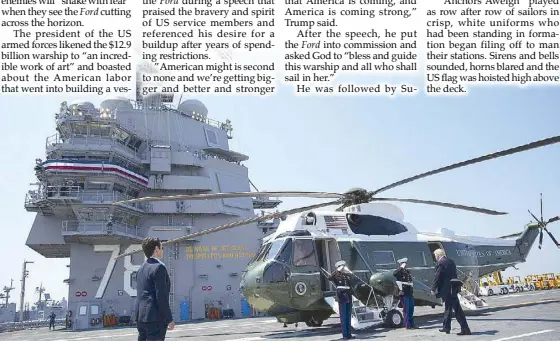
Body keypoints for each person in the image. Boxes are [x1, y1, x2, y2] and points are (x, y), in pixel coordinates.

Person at [135, 237, 175, 341]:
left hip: (141, 317)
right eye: (162, 248)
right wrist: (169, 318)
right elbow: (161, 296)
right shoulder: (159, 268)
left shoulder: (141, 269)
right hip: (155, 318)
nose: (163, 250)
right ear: (156, 249)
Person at [431, 248, 471, 336]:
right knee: (448, 308)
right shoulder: (451, 262)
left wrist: (433, 288)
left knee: (457, 310)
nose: (435, 258)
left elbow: (437, 276)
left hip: (447, 290)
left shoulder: (441, 263)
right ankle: (447, 327)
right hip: (453, 288)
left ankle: (465, 329)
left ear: (438, 255)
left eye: (435, 256)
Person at [328, 260, 354, 339]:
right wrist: (337, 271)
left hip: (348, 297)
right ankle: (345, 335)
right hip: (342, 297)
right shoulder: (336, 275)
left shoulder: (346, 275)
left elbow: (351, 279)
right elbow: (329, 278)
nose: (343, 268)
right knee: (343, 317)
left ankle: (349, 334)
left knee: (349, 316)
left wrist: (348, 271)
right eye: (342, 267)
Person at [393, 258, 417, 329]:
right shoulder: (399, 272)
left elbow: (410, 282)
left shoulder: (407, 272)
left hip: (409, 293)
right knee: (406, 310)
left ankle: (412, 324)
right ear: (400, 264)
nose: (405, 264)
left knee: (411, 309)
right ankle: (408, 325)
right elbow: (395, 274)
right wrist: (401, 268)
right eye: (403, 263)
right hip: (404, 293)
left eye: (405, 263)